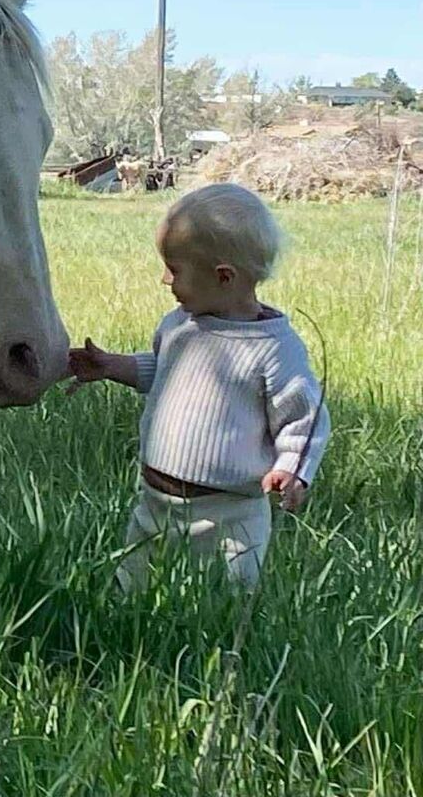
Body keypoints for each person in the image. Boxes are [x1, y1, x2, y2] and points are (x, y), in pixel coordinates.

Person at [69, 183, 330, 590]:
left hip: (229, 511)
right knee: (135, 580)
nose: (164, 280)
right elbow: (166, 374)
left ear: (224, 276)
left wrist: (292, 469)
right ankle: (126, 613)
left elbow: (303, 418)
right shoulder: (179, 326)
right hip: (156, 497)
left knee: (228, 588)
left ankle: (223, 625)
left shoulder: (275, 348)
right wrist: (111, 366)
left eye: (174, 270)